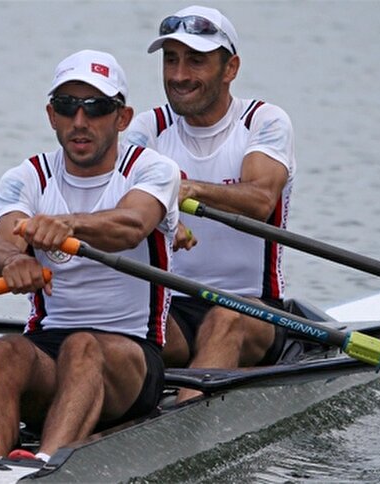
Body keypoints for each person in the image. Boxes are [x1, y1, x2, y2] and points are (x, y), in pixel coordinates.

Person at [0, 49, 181, 461]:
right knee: (3, 351)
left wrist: (70, 225)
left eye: (96, 107)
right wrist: (13, 263)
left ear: (122, 117)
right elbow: (1, 244)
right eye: (67, 107)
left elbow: (132, 225)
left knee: (83, 347)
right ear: (52, 115)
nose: (80, 122)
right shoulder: (26, 177)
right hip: (48, 349)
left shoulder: (152, 170)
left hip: (132, 356)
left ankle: (48, 464)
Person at [126, 5, 296, 402]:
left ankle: (184, 433)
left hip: (254, 310)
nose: (179, 75)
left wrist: (185, 190)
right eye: (171, 60)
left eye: (196, 61)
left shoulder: (263, 122)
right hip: (172, 306)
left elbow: (259, 199)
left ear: (230, 68)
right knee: (112, 321)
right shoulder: (148, 129)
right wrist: (165, 215)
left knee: (225, 319)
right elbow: (119, 200)